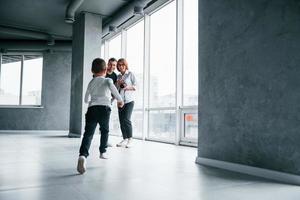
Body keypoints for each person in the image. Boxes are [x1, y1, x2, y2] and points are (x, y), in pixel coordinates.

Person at [77, 58, 124, 174]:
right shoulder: (108, 80)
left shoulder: (91, 82)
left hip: (92, 109)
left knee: (88, 134)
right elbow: (114, 91)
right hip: (104, 109)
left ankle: (82, 156)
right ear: (105, 70)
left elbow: (86, 99)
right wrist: (120, 100)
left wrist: (93, 99)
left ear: (92, 70)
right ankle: (102, 151)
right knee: (104, 130)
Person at [115, 58, 136, 148]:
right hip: (120, 101)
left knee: (126, 119)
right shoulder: (118, 76)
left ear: (125, 65)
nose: (121, 66)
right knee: (121, 121)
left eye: (122, 64)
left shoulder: (130, 74)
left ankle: (130, 139)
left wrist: (127, 87)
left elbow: (136, 86)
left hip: (129, 101)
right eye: (119, 65)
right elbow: (116, 89)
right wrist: (118, 84)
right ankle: (125, 139)